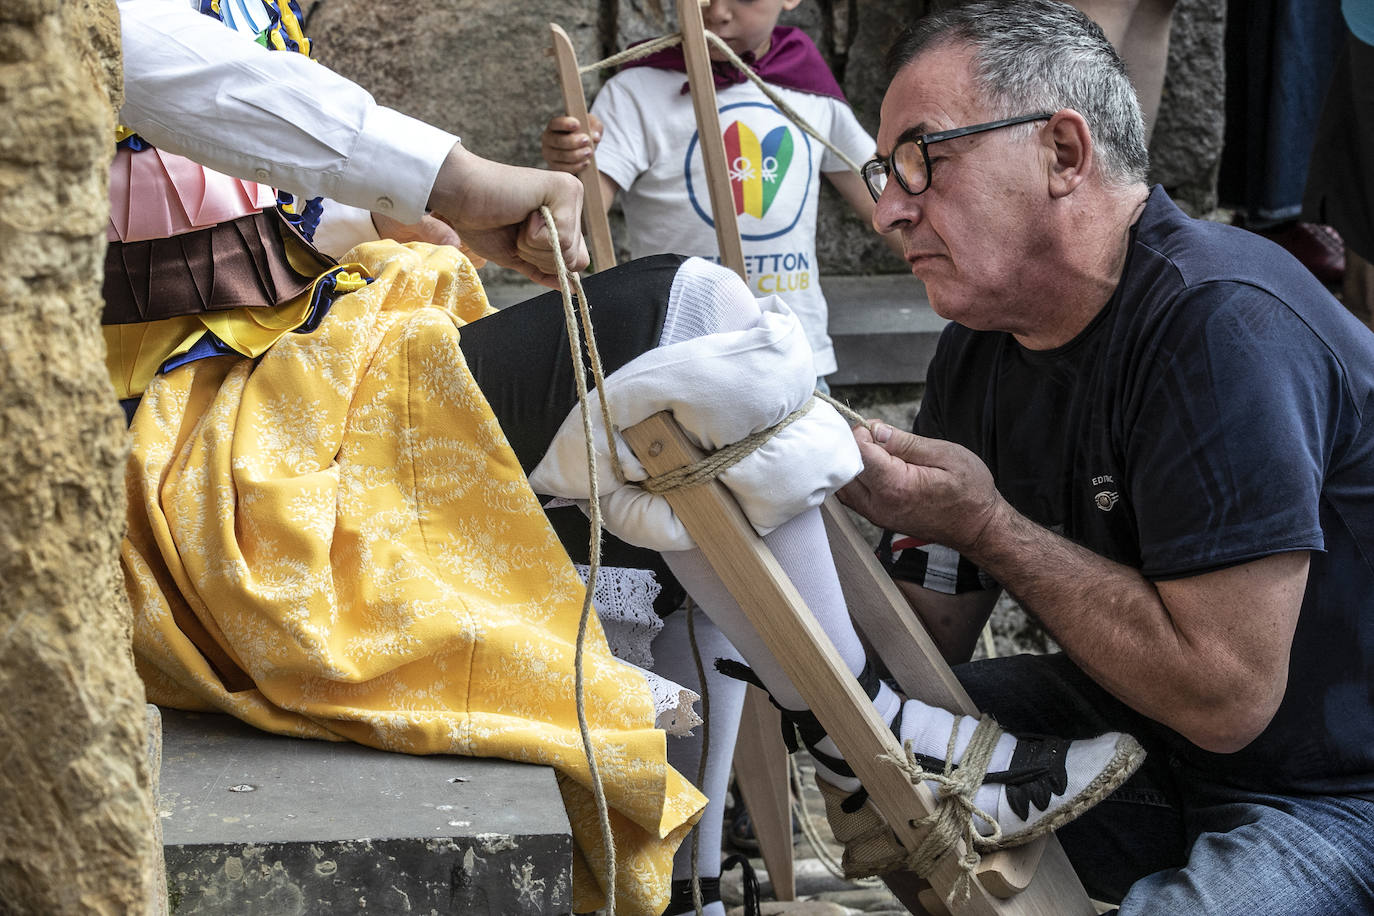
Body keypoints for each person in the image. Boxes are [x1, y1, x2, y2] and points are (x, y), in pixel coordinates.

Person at [115, 2, 1139, 913]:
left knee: (680, 415)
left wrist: (369, 210)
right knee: (684, 320)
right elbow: (150, 58)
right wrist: (457, 179)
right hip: (188, 425)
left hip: (312, 357)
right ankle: (877, 751)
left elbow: (222, 157)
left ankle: (840, 775)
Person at [839, 1, 1374, 912]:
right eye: (885, 171)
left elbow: (1227, 697)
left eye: (924, 158)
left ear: (1063, 153)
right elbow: (926, 639)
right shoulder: (982, 343)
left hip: (1336, 792)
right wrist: (796, 510)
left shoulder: (1221, 325)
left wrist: (989, 526)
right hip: (1158, 742)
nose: (890, 209)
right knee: (883, 764)